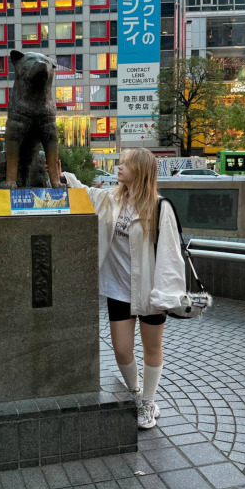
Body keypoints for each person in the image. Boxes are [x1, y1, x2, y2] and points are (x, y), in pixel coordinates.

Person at [60, 148, 186, 429]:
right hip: (118, 289)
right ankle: (136, 392)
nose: (119, 167)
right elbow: (85, 193)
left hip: (150, 291)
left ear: (140, 170)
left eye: (126, 164)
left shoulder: (159, 207)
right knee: (121, 349)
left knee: (152, 347)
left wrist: (165, 294)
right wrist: (63, 176)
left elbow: (170, 254)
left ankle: (148, 402)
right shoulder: (112, 199)